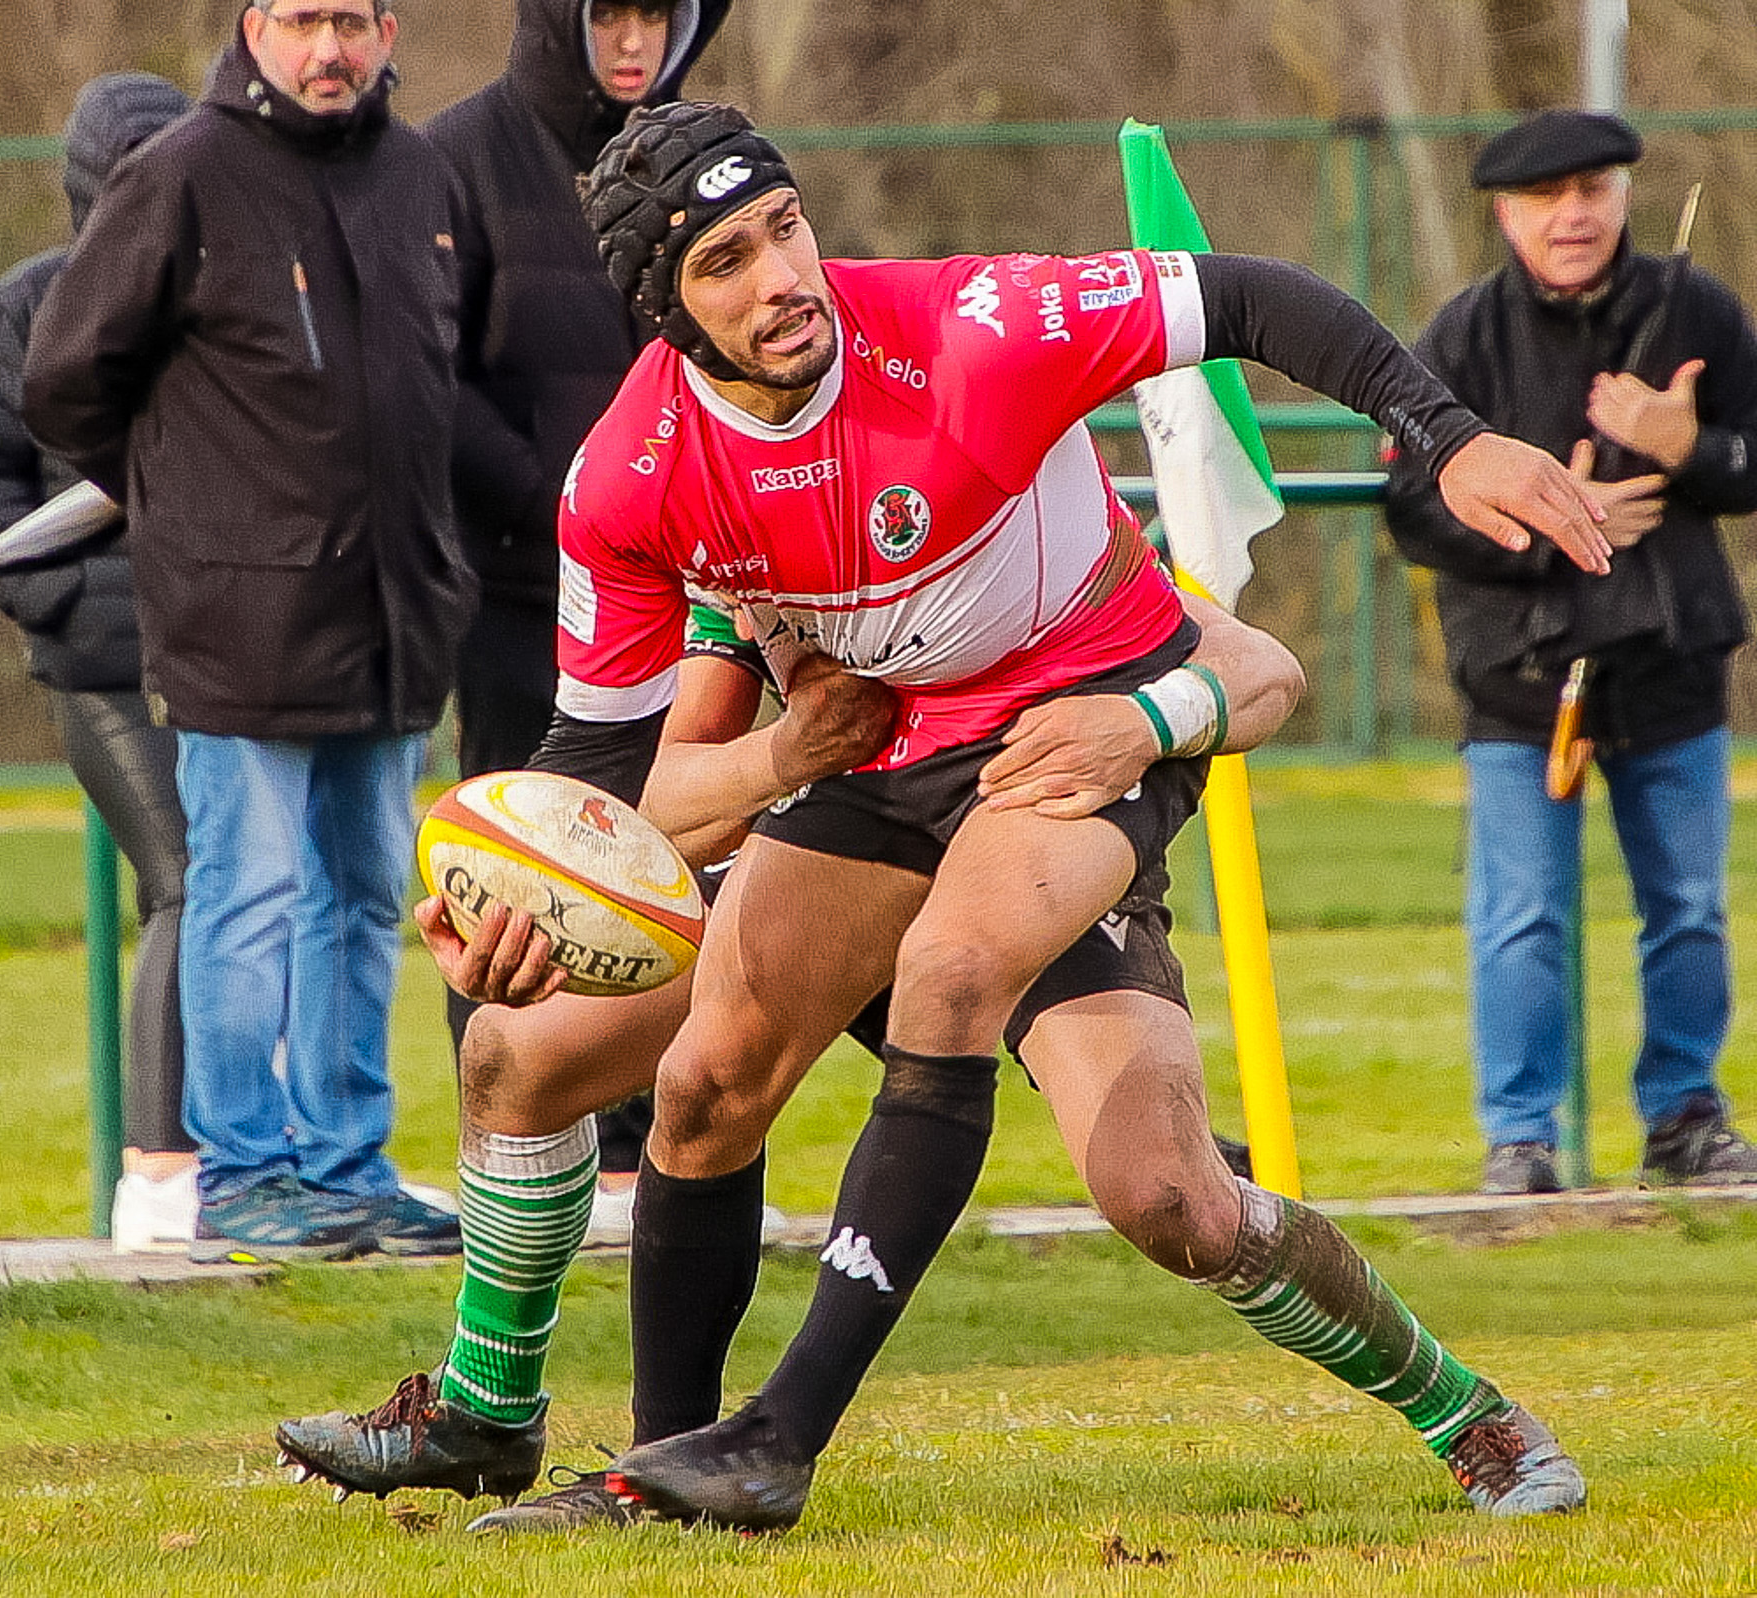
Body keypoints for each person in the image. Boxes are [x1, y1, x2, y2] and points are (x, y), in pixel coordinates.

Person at [545, 101, 1607, 1532]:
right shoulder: (629, 473)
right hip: (893, 757)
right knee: (705, 1077)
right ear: (663, 308)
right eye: (726, 261)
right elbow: (593, 761)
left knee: (1141, 1170)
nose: (782, 276)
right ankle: (662, 1466)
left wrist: (1448, 436)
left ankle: (1453, 1406)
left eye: (785, 226)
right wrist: (516, 891)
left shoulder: (976, 324)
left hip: (1081, 719)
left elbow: (1239, 294)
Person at [272, 582, 1297, 1516]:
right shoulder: (735, 524)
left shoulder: (1007, 470)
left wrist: (1146, 718)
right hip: (839, 865)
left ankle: (1449, 1405)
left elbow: (1261, 665)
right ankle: (519, 1421)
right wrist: (782, 756)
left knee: (1170, 1197)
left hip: (1032, 887)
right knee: (519, 1051)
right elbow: (666, 801)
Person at [21, 0, 485, 1263]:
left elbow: (461, 362)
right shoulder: (180, 176)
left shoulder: (422, 175)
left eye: (351, 19)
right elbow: (64, 375)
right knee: (251, 892)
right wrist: (184, 497)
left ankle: (346, 1163)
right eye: (301, 19)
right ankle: (243, 1168)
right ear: (252, 27)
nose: (327, 47)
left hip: (395, 623)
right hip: (242, 623)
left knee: (363, 897)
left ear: (390, 30)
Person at [1384, 109, 1757, 1197]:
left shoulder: (1700, 313)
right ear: (1506, 213)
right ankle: (1522, 1137)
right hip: (1519, 679)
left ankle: (1687, 1118)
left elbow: (1750, 459)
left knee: (1689, 902)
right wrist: (1555, 513)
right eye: (1546, 197)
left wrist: (1693, 446)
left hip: (1674, 663)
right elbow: (1415, 509)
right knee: (1521, 916)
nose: (1573, 214)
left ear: (1625, 197)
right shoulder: (1456, 341)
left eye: (1593, 189)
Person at [422, 0, 733, 1244]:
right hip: (515, 596)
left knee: (675, 860)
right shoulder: (458, 158)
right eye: (611, 11)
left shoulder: (696, 158)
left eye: (662, 14)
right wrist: (570, 506)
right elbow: (430, 379)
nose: (637, 38)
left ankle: (644, 1139)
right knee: (520, 866)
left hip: (687, 589)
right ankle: (513, 1144)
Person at [0, 72, 199, 1254]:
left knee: (285, 901)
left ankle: (276, 1164)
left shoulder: (224, 305)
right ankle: (158, 1178)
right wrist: (65, 605)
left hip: (235, 655)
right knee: (187, 879)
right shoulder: (17, 315)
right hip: (104, 667)